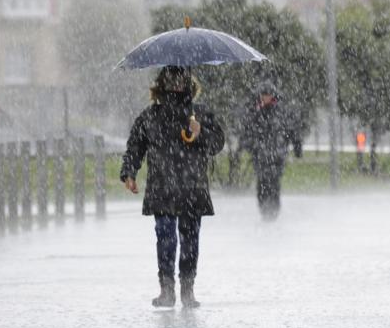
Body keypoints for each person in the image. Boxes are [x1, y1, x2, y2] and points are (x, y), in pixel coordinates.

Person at [120, 66, 225, 308]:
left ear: (189, 82)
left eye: (181, 79)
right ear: (162, 83)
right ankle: (167, 289)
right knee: (165, 237)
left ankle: (188, 289)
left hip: (192, 188)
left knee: (190, 240)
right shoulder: (150, 116)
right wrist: (129, 172)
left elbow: (217, 143)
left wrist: (201, 134)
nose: (176, 84)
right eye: (171, 79)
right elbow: (136, 145)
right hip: (162, 187)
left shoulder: (199, 114)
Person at [239, 80, 303, 220]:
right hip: (260, 155)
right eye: (263, 95)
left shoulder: (281, 112)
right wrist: (249, 145)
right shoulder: (255, 111)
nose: (265, 97)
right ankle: (264, 210)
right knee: (262, 183)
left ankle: (273, 211)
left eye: (267, 95)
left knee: (274, 183)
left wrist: (297, 147)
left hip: (277, 155)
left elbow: (292, 130)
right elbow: (247, 131)